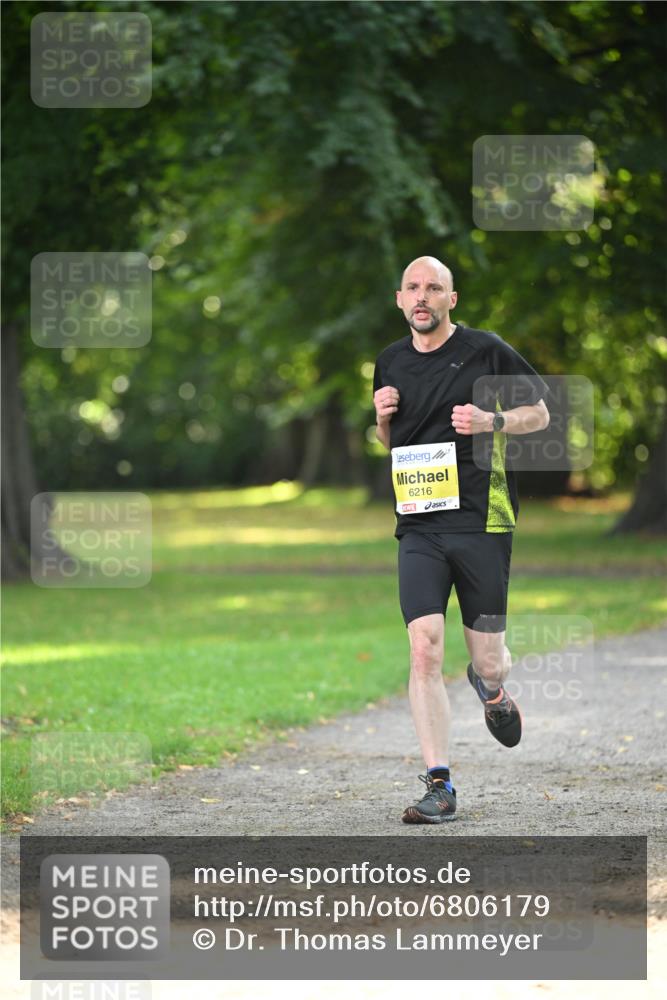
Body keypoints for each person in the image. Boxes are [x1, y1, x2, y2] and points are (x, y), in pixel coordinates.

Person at [372, 256, 550, 824]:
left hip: (484, 518)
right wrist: (381, 419)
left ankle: (492, 690)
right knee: (424, 644)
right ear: (400, 300)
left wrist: (492, 422)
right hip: (420, 522)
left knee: (488, 659)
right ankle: (440, 784)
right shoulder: (389, 361)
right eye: (414, 288)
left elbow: (541, 414)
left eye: (434, 288)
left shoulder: (488, 350)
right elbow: (394, 444)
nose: (423, 297)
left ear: (452, 299)